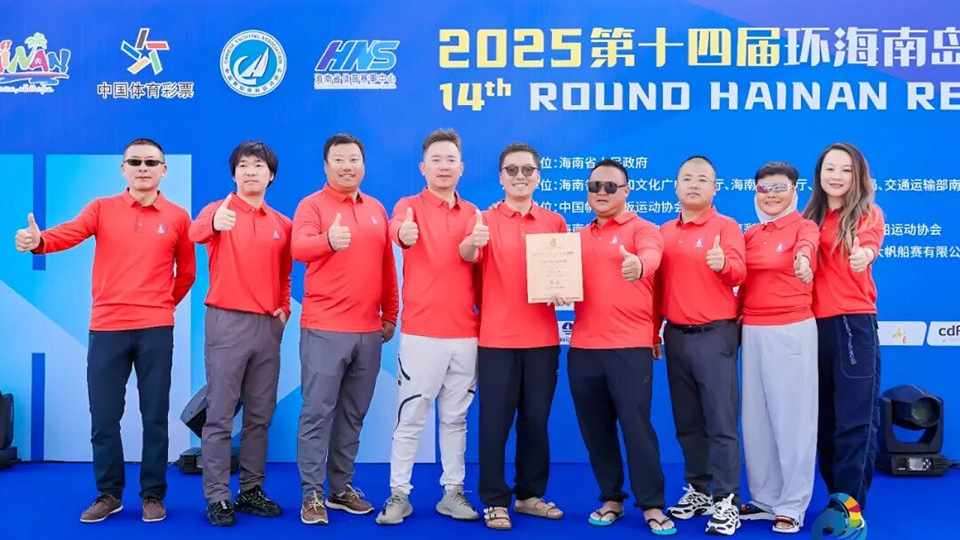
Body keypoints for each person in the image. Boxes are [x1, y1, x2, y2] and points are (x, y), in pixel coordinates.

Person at [14, 138, 195, 524]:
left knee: (155, 417)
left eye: (151, 162)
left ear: (164, 170)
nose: (143, 168)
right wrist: (39, 241)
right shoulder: (101, 208)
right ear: (123, 168)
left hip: (156, 329)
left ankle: (153, 494)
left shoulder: (179, 217)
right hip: (107, 327)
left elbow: (187, 273)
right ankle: (109, 493)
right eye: (135, 161)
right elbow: (70, 233)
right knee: (104, 418)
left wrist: (161, 305)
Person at [292, 133, 399, 525]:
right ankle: (312, 494)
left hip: (368, 330)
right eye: (339, 159)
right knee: (317, 413)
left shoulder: (376, 208)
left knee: (353, 414)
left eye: (354, 159)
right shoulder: (311, 205)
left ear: (363, 165)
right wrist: (327, 240)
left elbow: (387, 265)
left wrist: (391, 313)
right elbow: (299, 248)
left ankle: (340, 488)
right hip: (324, 328)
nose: (347, 166)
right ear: (326, 166)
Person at [375, 129, 481, 525]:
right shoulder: (409, 206)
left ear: (461, 167)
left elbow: (476, 259)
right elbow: (397, 230)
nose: (443, 166)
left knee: (456, 419)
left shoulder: (474, 214)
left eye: (450, 159)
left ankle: (453, 491)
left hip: (466, 334)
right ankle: (398, 493)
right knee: (411, 416)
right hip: (421, 334)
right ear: (423, 167)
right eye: (436, 160)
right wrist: (402, 233)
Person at [461, 142, 566, 530]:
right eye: (512, 170)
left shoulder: (554, 222)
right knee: (494, 424)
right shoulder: (483, 219)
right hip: (497, 340)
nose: (520, 177)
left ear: (538, 176)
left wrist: (563, 289)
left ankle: (529, 495)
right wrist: (471, 243)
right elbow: (467, 257)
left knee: (536, 422)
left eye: (527, 170)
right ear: (500, 177)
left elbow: (564, 273)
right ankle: (494, 499)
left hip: (543, 339)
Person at [568, 159, 675, 535]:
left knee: (636, 427)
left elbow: (652, 256)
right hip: (583, 347)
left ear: (626, 191)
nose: (601, 192)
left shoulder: (644, 230)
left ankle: (652, 505)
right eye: (595, 186)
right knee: (596, 430)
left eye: (610, 186)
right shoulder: (576, 238)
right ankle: (611, 498)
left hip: (629, 347)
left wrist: (639, 266)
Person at [189, 141, 292, 527]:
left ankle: (250, 490)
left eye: (259, 166)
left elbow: (285, 275)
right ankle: (217, 496)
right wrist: (214, 224)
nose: (251, 171)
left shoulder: (282, 224)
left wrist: (283, 310)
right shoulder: (218, 210)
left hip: (267, 326)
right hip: (227, 322)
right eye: (244, 165)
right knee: (219, 414)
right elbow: (194, 233)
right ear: (234, 174)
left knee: (260, 415)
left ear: (271, 176)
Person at [656, 155, 745, 536]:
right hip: (675, 335)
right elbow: (655, 289)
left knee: (721, 423)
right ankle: (699, 489)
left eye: (702, 179)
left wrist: (723, 264)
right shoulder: (663, 232)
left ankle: (727, 500)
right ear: (676, 186)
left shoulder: (727, 227)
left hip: (715, 335)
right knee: (687, 421)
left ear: (715, 188)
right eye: (687, 178)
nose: (694, 185)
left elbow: (741, 272)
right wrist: (652, 331)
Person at [802, 143, 884, 517]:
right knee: (824, 420)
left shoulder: (867, 214)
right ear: (819, 174)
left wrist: (861, 255)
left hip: (853, 322)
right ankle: (836, 495)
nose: (836, 176)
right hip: (811, 325)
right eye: (830, 168)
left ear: (858, 176)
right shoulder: (809, 218)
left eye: (846, 169)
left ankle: (849, 504)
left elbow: (868, 247)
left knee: (855, 419)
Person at [738, 162, 820, 534]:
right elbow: (741, 282)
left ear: (794, 191)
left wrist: (803, 261)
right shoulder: (751, 233)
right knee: (756, 420)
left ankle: (792, 504)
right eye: (764, 188)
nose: (771, 195)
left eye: (779, 187)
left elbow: (807, 250)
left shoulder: (804, 227)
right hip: (753, 330)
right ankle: (765, 499)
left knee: (793, 420)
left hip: (791, 330)